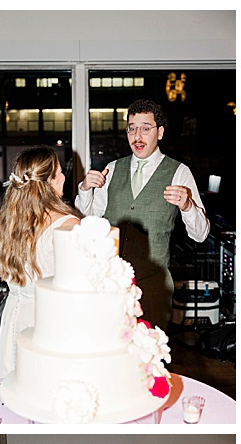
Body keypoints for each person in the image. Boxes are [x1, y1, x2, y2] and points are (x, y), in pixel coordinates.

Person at [75, 99, 210, 330]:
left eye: (146, 128)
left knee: (149, 357)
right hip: (111, 281)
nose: (138, 136)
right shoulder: (113, 168)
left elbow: (201, 234)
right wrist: (85, 189)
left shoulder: (179, 172)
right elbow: (86, 219)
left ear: (160, 132)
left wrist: (188, 206)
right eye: (132, 128)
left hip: (154, 283)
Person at [0, 146, 82, 386]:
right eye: (59, 173)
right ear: (48, 182)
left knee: (16, 391)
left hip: (14, 317)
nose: (63, 177)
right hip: (49, 321)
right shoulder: (67, 224)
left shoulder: (11, 222)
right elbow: (77, 284)